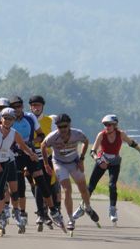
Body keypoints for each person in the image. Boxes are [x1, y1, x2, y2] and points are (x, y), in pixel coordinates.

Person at [0, 107, 39, 236]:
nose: (7, 121)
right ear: (2, 119)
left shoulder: (14, 133)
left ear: (13, 121)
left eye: (10, 119)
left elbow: (23, 146)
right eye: (5, 118)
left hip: (3, 162)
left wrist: (32, 154)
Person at [77, 114, 140, 224]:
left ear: (115, 125)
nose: (107, 127)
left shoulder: (121, 134)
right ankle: (82, 207)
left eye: (109, 125)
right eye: (105, 125)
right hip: (102, 160)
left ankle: (112, 210)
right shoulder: (101, 135)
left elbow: (131, 143)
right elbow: (92, 152)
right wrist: (99, 161)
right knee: (91, 186)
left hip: (115, 162)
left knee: (112, 185)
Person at [41, 113, 99, 232]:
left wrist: (81, 159)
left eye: (65, 126)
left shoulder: (77, 133)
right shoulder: (53, 136)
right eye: (59, 127)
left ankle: (88, 208)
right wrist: (46, 164)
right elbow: (43, 145)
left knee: (83, 189)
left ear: (69, 125)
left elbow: (86, 141)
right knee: (67, 190)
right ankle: (71, 219)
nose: (62, 129)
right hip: (59, 163)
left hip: (74, 162)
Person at [8, 96, 58, 228]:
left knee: (44, 184)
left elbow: (47, 137)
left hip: (38, 155)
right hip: (18, 156)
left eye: (19, 106)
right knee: (23, 187)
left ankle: (49, 211)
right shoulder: (8, 119)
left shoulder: (40, 119)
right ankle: (24, 212)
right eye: (14, 107)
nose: (17, 109)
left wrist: (30, 143)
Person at [28, 95, 60, 230]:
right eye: (34, 105)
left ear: (42, 107)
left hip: (47, 156)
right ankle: (41, 213)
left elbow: (56, 139)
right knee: (36, 185)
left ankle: (49, 211)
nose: (36, 108)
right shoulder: (27, 120)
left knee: (48, 185)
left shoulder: (49, 121)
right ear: (30, 107)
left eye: (38, 105)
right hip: (31, 156)